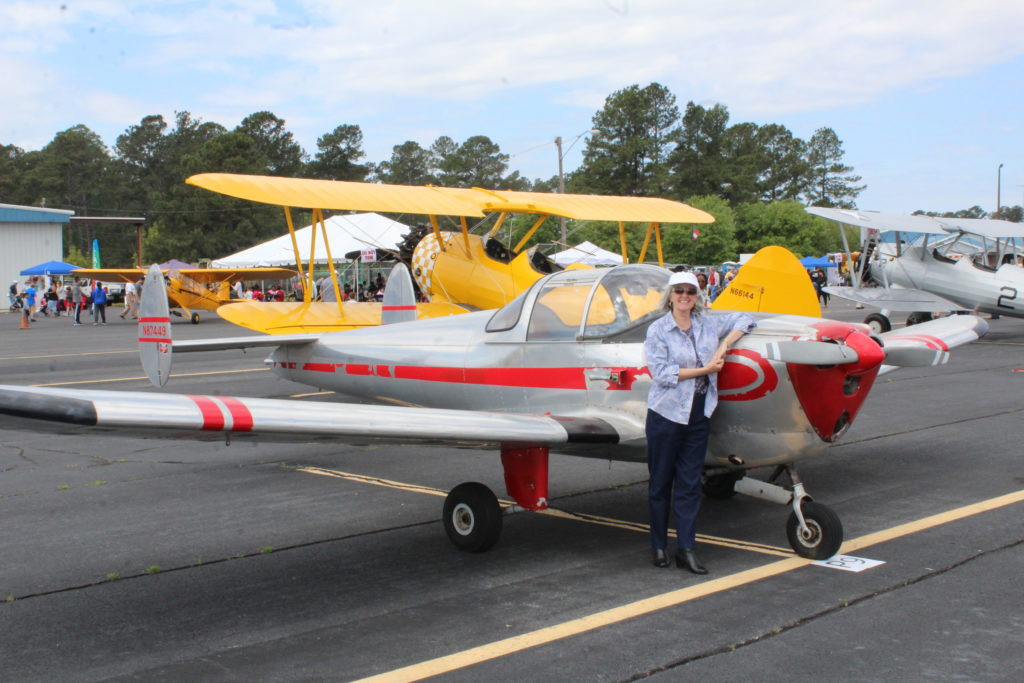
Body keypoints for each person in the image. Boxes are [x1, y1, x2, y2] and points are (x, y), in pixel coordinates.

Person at [644, 271, 755, 574]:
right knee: (660, 482)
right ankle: (658, 545)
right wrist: (706, 369)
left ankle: (686, 548)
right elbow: (662, 374)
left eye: (690, 291)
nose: (684, 296)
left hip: (698, 414)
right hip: (666, 415)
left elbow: (745, 318)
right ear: (670, 295)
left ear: (697, 296)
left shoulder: (707, 324)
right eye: (679, 290)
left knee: (690, 484)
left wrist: (724, 345)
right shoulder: (658, 330)